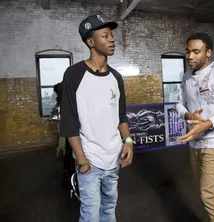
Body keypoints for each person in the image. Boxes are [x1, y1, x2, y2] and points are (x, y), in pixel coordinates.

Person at [60, 14, 134, 222]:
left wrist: (128, 141)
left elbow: (121, 116)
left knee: (109, 210)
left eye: (111, 35)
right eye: (105, 36)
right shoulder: (73, 75)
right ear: (91, 42)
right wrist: (82, 160)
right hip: (90, 162)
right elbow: (69, 123)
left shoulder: (116, 77)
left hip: (114, 159)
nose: (111, 39)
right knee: (90, 216)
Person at [176, 32, 214, 222]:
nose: (190, 56)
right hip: (195, 142)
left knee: (209, 195)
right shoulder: (186, 76)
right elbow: (179, 103)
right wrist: (188, 115)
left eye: (196, 52)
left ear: (208, 52)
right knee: (200, 189)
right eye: (188, 52)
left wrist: (206, 124)